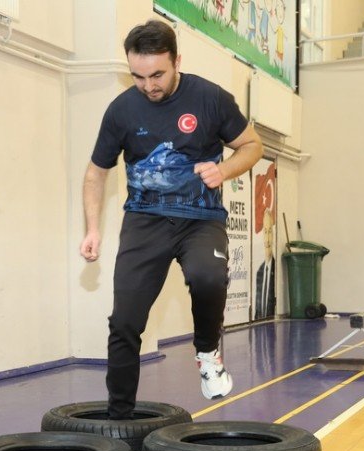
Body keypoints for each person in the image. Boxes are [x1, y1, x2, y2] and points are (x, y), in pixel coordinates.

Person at [81, 19, 263, 420]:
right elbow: (96, 172)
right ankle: (118, 421)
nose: (148, 85)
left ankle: (207, 352)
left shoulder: (211, 98)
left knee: (208, 276)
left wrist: (226, 171)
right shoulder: (122, 110)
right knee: (124, 322)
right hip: (145, 221)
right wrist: (92, 229)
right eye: (138, 76)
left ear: (177, 60)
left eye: (157, 74)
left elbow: (252, 145)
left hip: (201, 218)